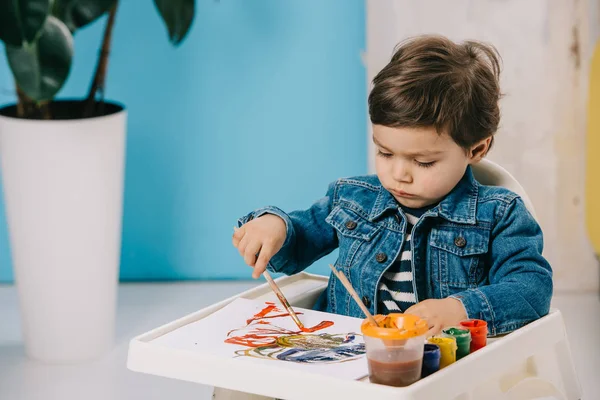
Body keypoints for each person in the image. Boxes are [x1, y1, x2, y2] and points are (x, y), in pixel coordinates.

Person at [232, 35, 553, 337]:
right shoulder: (352, 198)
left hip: (436, 364)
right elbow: (300, 238)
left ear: (477, 149)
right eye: (385, 153)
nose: (399, 174)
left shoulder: (500, 214)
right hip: (346, 354)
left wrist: (459, 310)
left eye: (423, 162)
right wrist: (275, 226)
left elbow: (531, 288)